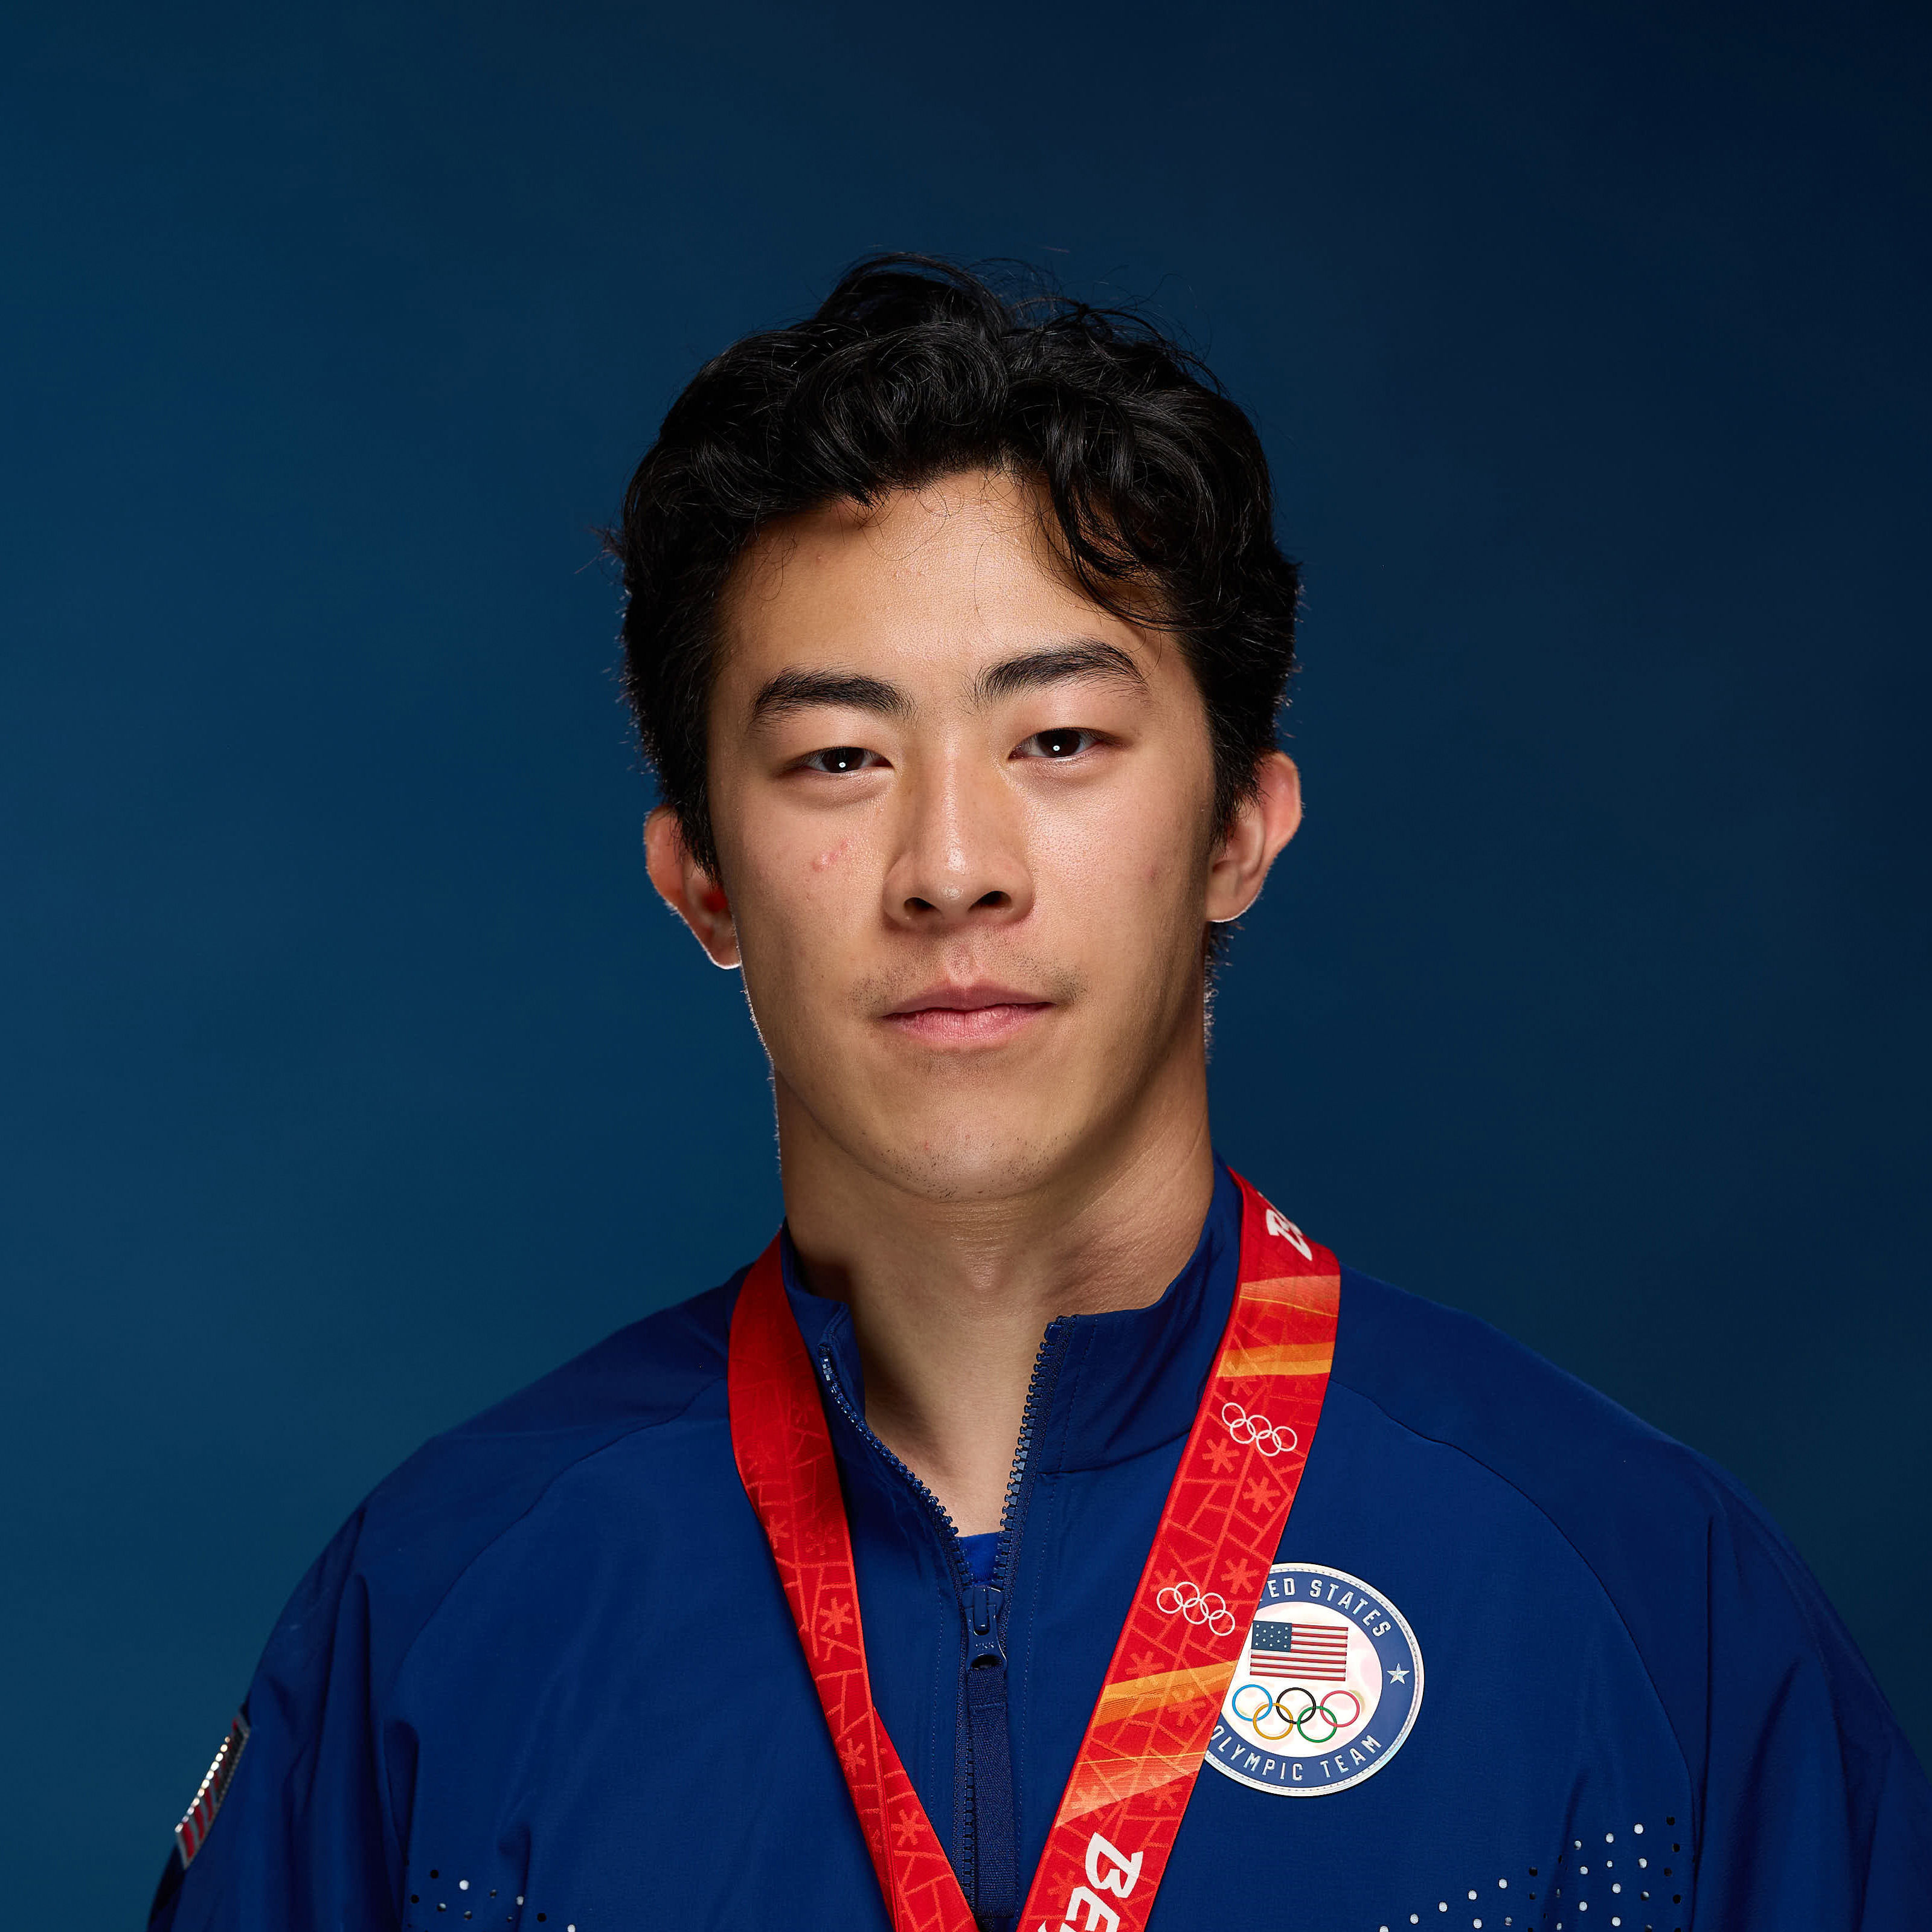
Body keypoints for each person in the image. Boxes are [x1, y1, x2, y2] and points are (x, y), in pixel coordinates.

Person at [149, 255, 1930, 1932]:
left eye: (1059, 740)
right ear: (699, 878)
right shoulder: (446, 1613)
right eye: (839, 758)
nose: (950, 865)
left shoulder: (1641, 1591)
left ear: (1238, 826)